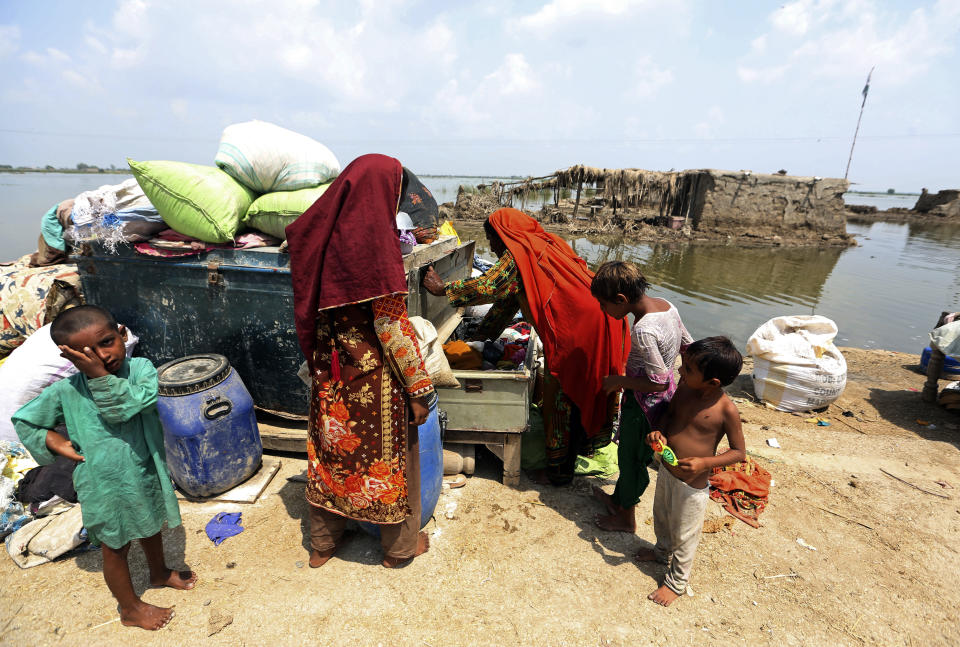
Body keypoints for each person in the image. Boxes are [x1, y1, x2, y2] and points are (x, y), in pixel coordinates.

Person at [286, 154, 434, 569]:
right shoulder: (374, 243)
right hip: (376, 381)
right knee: (389, 459)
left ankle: (323, 545)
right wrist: (421, 390)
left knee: (329, 455)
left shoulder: (314, 237)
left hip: (329, 373)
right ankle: (399, 550)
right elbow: (392, 327)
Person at [12, 305, 194, 631]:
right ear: (71, 359)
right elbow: (25, 419)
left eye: (107, 343)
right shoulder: (67, 391)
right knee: (115, 546)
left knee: (152, 524)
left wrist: (99, 377)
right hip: (103, 484)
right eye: (87, 354)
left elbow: (128, 406)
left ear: (121, 334)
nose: (101, 357)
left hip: (144, 471)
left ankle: (158, 571)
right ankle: (130, 608)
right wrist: (55, 441)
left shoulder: (141, 369)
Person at [422, 209, 629, 485]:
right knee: (582, 392)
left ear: (503, 235)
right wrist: (481, 339)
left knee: (561, 397)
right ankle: (574, 453)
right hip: (602, 320)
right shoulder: (546, 243)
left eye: (492, 240)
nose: (493, 248)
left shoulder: (520, 254)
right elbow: (507, 303)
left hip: (578, 332)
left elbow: (490, 286)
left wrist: (443, 290)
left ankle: (558, 472)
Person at [636, 336, 746, 607]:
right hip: (666, 468)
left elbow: (739, 452)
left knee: (685, 534)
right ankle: (661, 550)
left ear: (713, 383)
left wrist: (704, 463)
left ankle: (676, 583)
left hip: (692, 483)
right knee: (661, 515)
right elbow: (669, 416)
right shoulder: (684, 388)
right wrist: (658, 431)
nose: (680, 372)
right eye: (683, 365)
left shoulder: (725, 410)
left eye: (688, 369)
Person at [589, 261, 693, 532]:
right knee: (627, 454)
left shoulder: (644, 330)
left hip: (645, 407)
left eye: (604, 304)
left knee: (631, 459)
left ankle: (627, 518)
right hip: (661, 400)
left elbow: (657, 383)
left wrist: (619, 380)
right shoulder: (667, 306)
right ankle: (618, 500)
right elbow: (688, 346)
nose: (602, 310)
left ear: (621, 300)